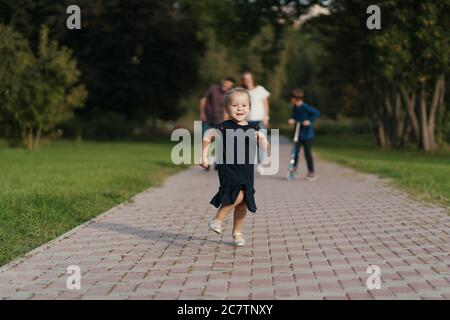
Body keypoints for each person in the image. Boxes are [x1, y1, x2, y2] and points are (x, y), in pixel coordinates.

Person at [200, 88, 269, 246]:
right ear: (226, 109)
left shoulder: (253, 128)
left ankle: (237, 232)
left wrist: (262, 139)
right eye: (235, 105)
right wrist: (203, 156)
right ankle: (217, 220)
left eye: (244, 105)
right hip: (228, 167)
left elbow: (266, 148)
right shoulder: (224, 127)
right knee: (238, 192)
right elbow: (207, 137)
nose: (240, 108)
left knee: (244, 201)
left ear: (250, 108)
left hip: (246, 169)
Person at [240, 71, 270, 175]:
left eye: (249, 78)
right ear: (243, 80)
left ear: (252, 79)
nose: (247, 80)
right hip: (247, 121)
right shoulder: (242, 92)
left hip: (260, 120)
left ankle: (260, 165)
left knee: (261, 143)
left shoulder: (260, 89)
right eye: (245, 78)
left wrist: (266, 116)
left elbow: (266, 104)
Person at [288, 88, 320, 181]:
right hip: (298, 134)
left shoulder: (304, 106)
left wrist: (309, 121)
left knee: (307, 153)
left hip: (307, 135)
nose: (291, 100)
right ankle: (293, 170)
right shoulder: (295, 107)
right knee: (295, 152)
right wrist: (292, 119)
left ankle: (311, 172)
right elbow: (295, 116)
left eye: (292, 98)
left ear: (296, 98)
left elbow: (316, 113)